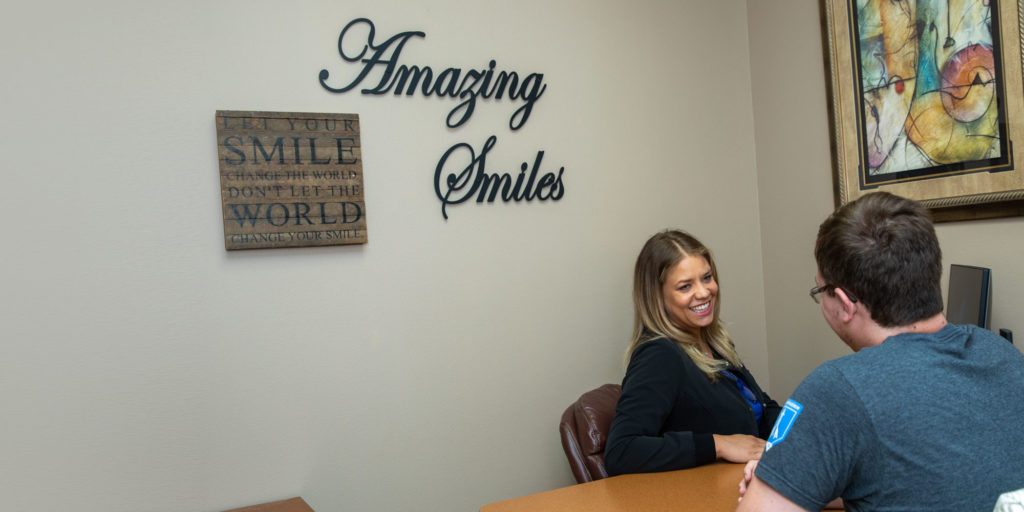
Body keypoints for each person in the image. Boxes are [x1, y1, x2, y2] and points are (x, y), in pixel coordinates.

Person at [737, 192, 1024, 511]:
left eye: (821, 291)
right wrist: (801, 476)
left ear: (845, 305)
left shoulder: (836, 390)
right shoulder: (1004, 354)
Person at [604, 230, 780, 475]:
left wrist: (802, 429)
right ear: (658, 297)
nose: (703, 292)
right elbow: (621, 451)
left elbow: (759, 408)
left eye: (707, 278)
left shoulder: (715, 343)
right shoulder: (658, 355)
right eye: (685, 286)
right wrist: (719, 444)